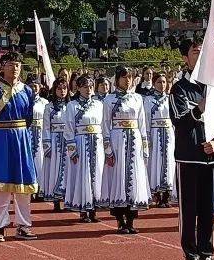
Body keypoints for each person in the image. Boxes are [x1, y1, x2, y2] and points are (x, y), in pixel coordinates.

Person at [169, 38, 214, 260]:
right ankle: (191, 258)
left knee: (208, 210)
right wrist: (200, 108)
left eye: (203, 52)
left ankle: (206, 256)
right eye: (195, 52)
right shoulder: (179, 89)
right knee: (189, 210)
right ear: (185, 58)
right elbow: (179, 120)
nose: (200, 56)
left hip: (212, 157)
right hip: (189, 157)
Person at [0, 51, 39, 242]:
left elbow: (28, 117)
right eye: (10, 65)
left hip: (21, 137)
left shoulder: (27, 91)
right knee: (0, 184)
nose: (14, 68)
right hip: (1, 137)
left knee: (23, 184)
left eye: (17, 65)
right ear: (2, 67)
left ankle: (23, 225)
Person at [100, 66, 151, 235]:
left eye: (130, 77)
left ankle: (130, 220)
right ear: (117, 79)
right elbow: (105, 125)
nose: (127, 80)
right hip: (117, 141)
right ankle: (120, 220)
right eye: (124, 77)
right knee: (118, 177)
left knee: (134, 178)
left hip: (134, 141)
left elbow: (142, 124)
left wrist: (145, 147)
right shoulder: (109, 100)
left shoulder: (137, 98)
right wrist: (108, 149)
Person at [63, 73, 104, 222]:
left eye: (91, 86)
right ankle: (83, 208)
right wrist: (72, 149)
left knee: (97, 174)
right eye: (85, 87)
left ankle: (94, 209)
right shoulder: (72, 105)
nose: (88, 89)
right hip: (81, 142)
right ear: (78, 88)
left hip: (97, 142)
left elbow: (104, 125)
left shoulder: (99, 104)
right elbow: (69, 128)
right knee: (82, 174)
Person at [146, 72, 176, 207]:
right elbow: (146, 119)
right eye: (159, 82)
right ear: (154, 83)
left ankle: (167, 194)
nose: (162, 85)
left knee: (169, 161)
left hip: (169, 133)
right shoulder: (148, 100)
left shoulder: (170, 99)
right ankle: (157, 194)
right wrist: (147, 137)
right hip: (155, 133)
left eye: (164, 82)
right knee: (156, 162)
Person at [42, 78, 71, 211]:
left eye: (64, 88)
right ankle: (55, 199)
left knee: (69, 169)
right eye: (59, 89)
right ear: (54, 90)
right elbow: (46, 127)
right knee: (54, 168)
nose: (62, 91)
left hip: (68, 140)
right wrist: (47, 144)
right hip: (55, 141)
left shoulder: (71, 106)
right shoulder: (49, 107)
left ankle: (68, 198)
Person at [29, 76, 48, 200]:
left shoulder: (45, 102)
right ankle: (30, 188)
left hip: (41, 133)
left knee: (40, 160)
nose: (33, 88)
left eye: (35, 85)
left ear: (40, 87)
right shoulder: (25, 100)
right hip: (28, 133)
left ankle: (41, 188)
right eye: (31, 86)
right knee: (30, 160)